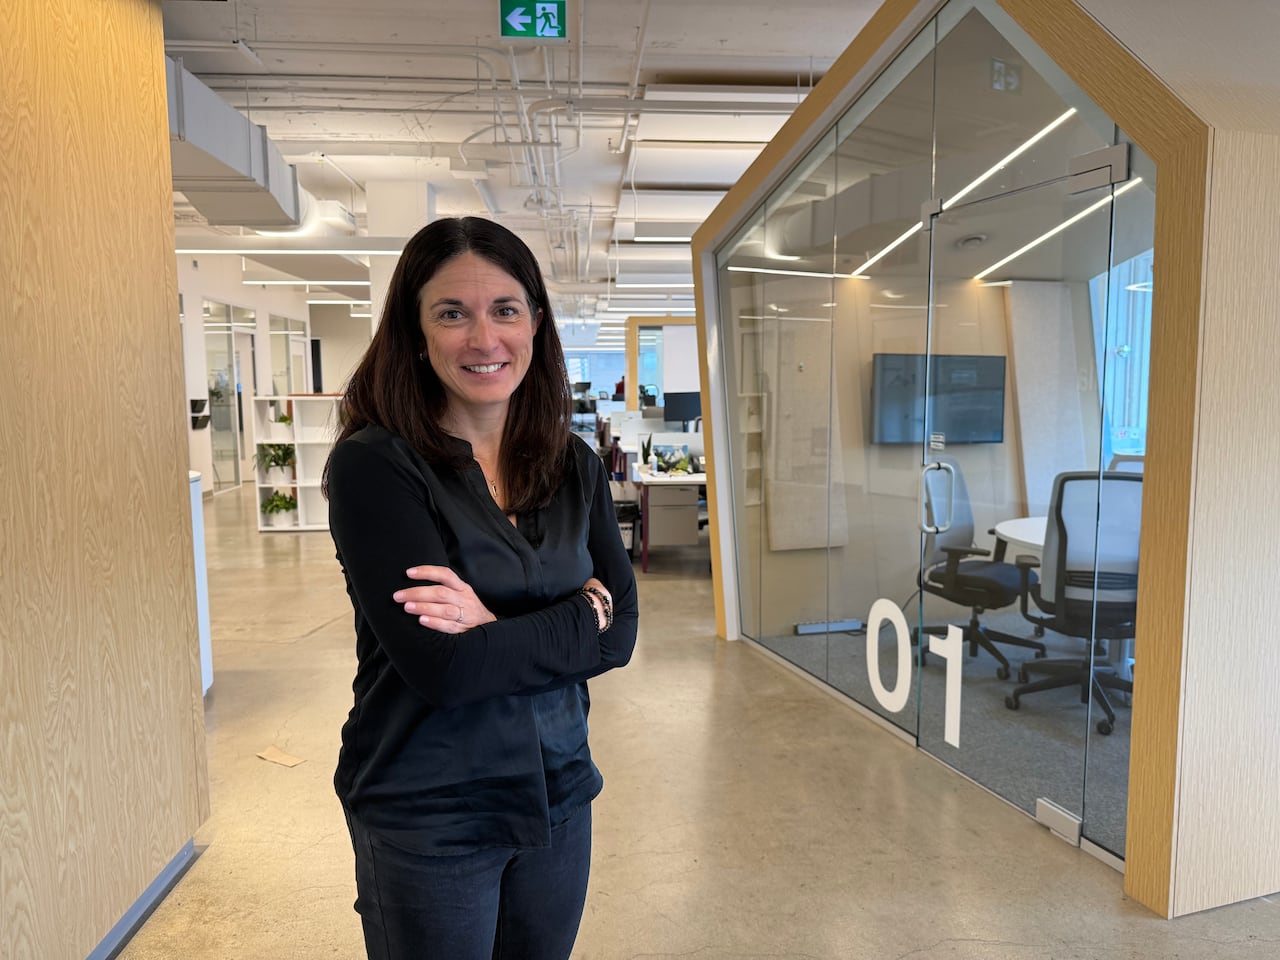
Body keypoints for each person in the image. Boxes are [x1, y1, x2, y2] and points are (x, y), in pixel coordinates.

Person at [323, 216, 638, 960]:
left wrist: (495, 622)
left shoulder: (572, 464)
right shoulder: (378, 469)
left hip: (559, 790)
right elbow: (448, 670)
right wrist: (577, 613)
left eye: (504, 309)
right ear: (416, 329)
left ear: (535, 321)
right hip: (430, 809)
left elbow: (620, 631)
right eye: (451, 313)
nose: (483, 339)